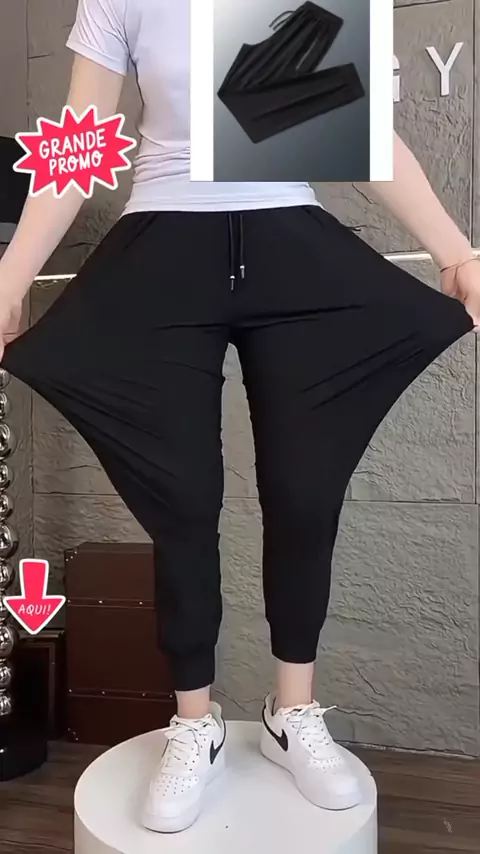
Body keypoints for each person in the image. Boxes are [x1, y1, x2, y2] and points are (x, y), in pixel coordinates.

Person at [0, 0, 478, 835]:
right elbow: (79, 149)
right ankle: (195, 722)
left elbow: (359, 134)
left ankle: (295, 713)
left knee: (305, 490)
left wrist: (459, 253)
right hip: (163, 243)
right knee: (182, 502)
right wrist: (9, 281)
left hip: (290, 242)